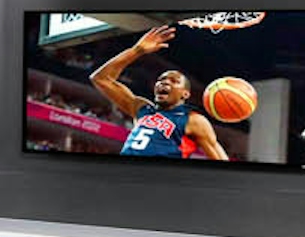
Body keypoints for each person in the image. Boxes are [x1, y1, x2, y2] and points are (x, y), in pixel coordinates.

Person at [88, 24, 224, 160]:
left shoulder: (194, 120)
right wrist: (137, 50)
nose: (165, 82)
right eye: (161, 79)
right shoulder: (141, 108)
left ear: (185, 94)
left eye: (174, 81)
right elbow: (100, 79)